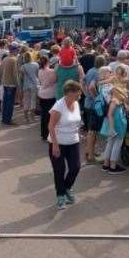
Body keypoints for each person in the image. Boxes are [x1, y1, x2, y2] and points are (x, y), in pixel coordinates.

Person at [47, 80, 83, 210]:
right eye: (77, 93)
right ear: (69, 93)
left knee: (76, 167)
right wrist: (55, 145)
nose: (79, 95)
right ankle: (60, 196)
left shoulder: (76, 103)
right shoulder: (58, 106)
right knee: (59, 170)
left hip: (73, 142)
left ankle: (67, 188)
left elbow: (77, 121)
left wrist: (78, 134)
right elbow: (50, 126)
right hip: (58, 143)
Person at [100, 84, 129, 174]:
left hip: (112, 124)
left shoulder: (111, 99)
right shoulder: (115, 100)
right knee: (117, 143)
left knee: (111, 142)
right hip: (118, 123)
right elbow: (110, 114)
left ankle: (106, 164)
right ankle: (113, 165)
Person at [83, 55, 106, 162]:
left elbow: (82, 83)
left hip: (87, 104)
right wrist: (97, 98)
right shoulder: (98, 73)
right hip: (93, 106)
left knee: (91, 130)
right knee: (93, 131)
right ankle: (91, 155)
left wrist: (86, 94)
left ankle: (89, 151)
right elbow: (92, 86)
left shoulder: (90, 71)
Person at [0, 43, 21, 125]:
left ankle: (4, 119)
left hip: (5, 82)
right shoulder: (14, 60)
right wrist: (18, 85)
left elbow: (0, 70)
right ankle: (8, 120)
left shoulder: (5, 59)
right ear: (14, 50)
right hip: (11, 84)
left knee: (5, 102)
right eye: (17, 50)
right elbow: (15, 74)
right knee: (10, 103)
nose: (18, 52)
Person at [38, 55, 57, 140]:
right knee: (49, 116)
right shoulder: (51, 71)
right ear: (48, 62)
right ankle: (48, 134)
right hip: (50, 95)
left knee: (44, 115)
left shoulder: (39, 71)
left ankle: (43, 134)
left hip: (42, 94)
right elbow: (54, 80)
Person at [20, 51, 40, 122]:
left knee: (26, 101)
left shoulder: (23, 67)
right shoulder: (36, 65)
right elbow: (37, 75)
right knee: (33, 101)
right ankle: (32, 118)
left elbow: (21, 78)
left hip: (26, 85)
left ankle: (26, 118)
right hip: (34, 84)